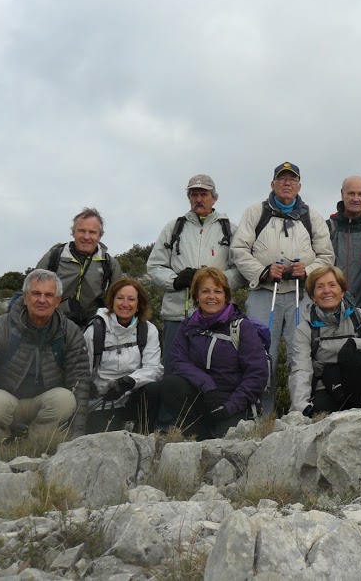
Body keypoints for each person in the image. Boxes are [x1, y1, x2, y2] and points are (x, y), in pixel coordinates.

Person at [230, 162, 334, 415]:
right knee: (263, 354)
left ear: (299, 185)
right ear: (273, 184)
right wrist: (263, 272)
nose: (287, 183)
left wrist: (307, 272)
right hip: (265, 293)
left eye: (292, 179)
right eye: (282, 179)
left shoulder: (313, 216)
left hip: (301, 294)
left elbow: (327, 255)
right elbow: (239, 250)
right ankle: (261, 416)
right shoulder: (256, 212)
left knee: (300, 354)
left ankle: (300, 411)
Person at [0, 269, 90, 455]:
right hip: (8, 403)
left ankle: (36, 450)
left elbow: (80, 384)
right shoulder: (1, 328)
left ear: (58, 301)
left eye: (49, 295)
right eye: (36, 293)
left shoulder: (69, 332)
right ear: (25, 298)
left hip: (43, 404)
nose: (42, 300)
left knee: (65, 398)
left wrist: (77, 437)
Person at [156, 267, 269, 439]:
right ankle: (195, 433)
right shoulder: (187, 326)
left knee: (226, 442)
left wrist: (230, 407)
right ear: (196, 296)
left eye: (218, 291)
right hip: (203, 397)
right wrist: (207, 386)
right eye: (205, 291)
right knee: (171, 384)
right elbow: (178, 362)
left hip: (232, 403)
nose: (211, 297)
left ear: (226, 296)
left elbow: (257, 374)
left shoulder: (241, 327)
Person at [147, 174, 245, 370]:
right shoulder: (174, 227)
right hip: (177, 314)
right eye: (194, 194)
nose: (198, 199)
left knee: (216, 369)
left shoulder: (230, 229)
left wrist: (214, 283)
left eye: (204, 194)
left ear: (214, 198)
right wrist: (174, 281)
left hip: (218, 316)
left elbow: (242, 270)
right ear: (189, 197)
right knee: (173, 369)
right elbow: (154, 266)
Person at [289, 266, 361, 415]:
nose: (327, 291)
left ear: (342, 291)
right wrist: (301, 407)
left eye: (332, 285)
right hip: (326, 387)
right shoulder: (305, 329)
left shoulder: (360, 318)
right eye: (320, 287)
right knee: (319, 412)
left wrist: (358, 344)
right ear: (313, 296)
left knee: (355, 358)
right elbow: (301, 368)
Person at [83, 278, 163, 434]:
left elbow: (154, 368)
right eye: (120, 298)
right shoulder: (96, 330)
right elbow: (85, 372)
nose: (125, 304)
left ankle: (143, 434)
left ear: (139, 303)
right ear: (111, 300)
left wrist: (129, 382)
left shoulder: (148, 330)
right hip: (103, 401)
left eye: (131, 299)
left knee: (154, 389)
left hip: (132, 395)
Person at [36, 208, 123, 328]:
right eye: (81, 231)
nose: (86, 237)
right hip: (51, 326)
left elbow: (118, 302)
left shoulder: (110, 265)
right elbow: (32, 292)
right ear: (73, 232)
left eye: (92, 232)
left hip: (92, 329)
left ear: (100, 236)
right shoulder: (53, 257)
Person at [326, 176, 361, 324]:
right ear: (342, 193)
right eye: (351, 193)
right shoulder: (326, 228)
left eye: (360, 194)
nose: (356, 199)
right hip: (329, 310)